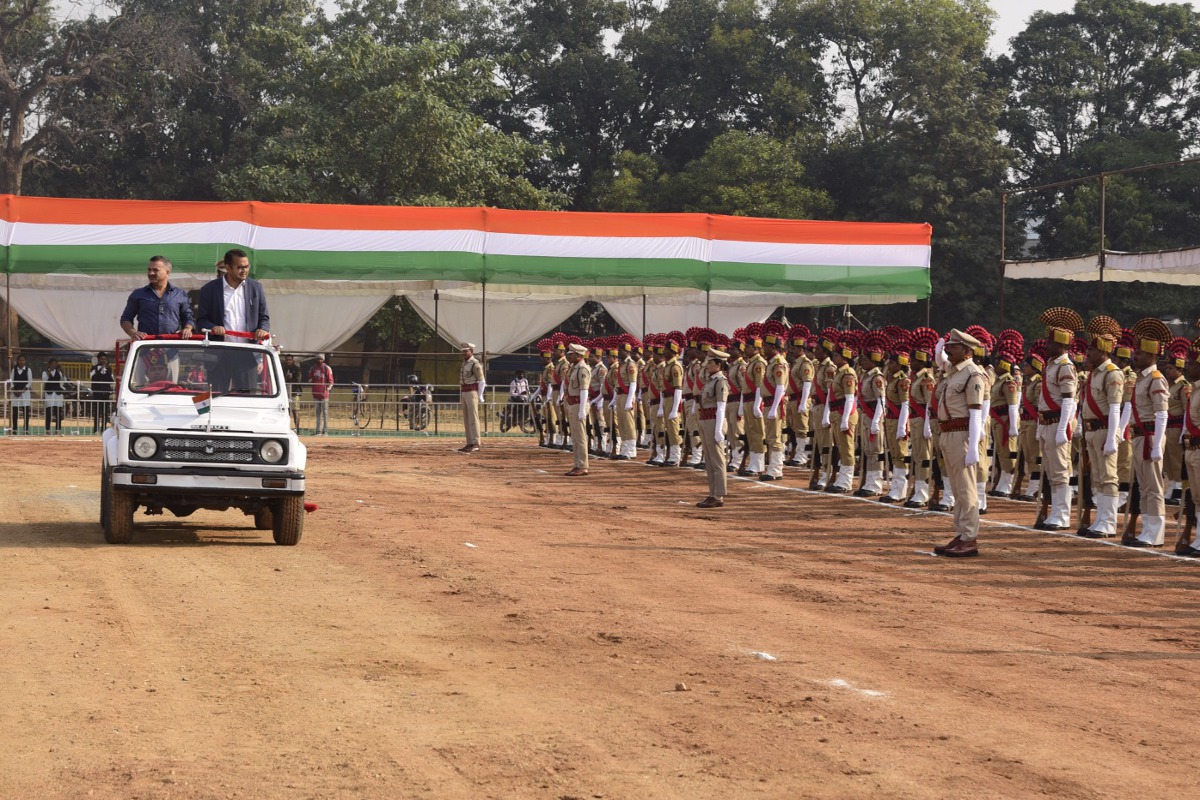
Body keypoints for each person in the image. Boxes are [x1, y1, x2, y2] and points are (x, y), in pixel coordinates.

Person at [931, 329, 987, 558]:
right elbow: (941, 360)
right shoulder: (954, 371)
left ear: (965, 351)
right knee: (956, 489)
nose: (947, 349)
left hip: (962, 434)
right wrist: (938, 349)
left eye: (952, 346)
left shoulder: (973, 374)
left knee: (966, 489)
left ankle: (970, 537)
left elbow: (976, 413)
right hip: (948, 433)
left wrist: (974, 446)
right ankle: (961, 533)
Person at [1123, 320, 1171, 547]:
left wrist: (1157, 446)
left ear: (1152, 356)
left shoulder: (1155, 379)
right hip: (1140, 436)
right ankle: (1147, 530)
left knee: (1153, 487)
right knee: (1144, 487)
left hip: (1150, 437)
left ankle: (1155, 533)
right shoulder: (1141, 379)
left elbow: (1162, 414)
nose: (1135, 356)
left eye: (1140, 354)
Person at [197, 249, 271, 392]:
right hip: (219, 353)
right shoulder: (209, 290)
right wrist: (213, 327)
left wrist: (263, 329)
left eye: (247, 266)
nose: (244, 270)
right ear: (228, 267)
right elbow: (201, 320)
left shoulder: (256, 288)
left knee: (247, 398)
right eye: (240, 267)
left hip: (247, 353)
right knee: (217, 398)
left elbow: (264, 317)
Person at [1034, 308, 1081, 531]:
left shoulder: (1065, 366)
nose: (1046, 345)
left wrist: (1063, 428)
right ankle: (1055, 511)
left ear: (1061, 344)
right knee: (1051, 471)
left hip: (1057, 423)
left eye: (1050, 342)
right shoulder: (1051, 365)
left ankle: (1062, 515)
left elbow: (1068, 400)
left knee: (1061, 470)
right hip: (1046, 423)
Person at [1077, 327, 1124, 538]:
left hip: (1105, 430)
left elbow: (1115, 408)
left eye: (1091, 350)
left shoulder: (1112, 373)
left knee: (1108, 477)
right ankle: (1100, 518)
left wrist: (1113, 437)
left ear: (1103, 351)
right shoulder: (1094, 374)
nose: (1088, 354)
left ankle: (1109, 522)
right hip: (1091, 431)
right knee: (1097, 477)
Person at [120, 256, 194, 383]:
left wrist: (187, 328)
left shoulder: (180, 294)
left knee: (171, 390)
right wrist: (133, 332)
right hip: (144, 352)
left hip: (171, 353)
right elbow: (125, 319)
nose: (150, 273)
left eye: (155, 270)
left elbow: (189, 317)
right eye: (149, 270)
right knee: (140, 389)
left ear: (167, 273)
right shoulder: (138, 294)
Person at [696, 347, 731, 508]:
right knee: (709, 460)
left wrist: (718, 429)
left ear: (718, 364)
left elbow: (721, 406)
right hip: (705, 420)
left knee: (717, 460)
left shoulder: (720, 381)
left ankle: (719, 495)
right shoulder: (710, 380)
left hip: (714, 421)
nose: (707, 365)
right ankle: (712, 493)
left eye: (710, 363)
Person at [564, 343, 592, 476]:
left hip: (578, 404)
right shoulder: (573, 368)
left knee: (580, 437)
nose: (569, 356)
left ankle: (582, 465)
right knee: (575, 436)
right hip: (572, 404)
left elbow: (584, 390)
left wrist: (582, 409)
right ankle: (577, 464)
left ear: (578, 355)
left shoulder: (582, 369)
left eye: (571, 354)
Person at [458, 342, 485, 453]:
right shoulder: (464, 363)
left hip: (472, 392)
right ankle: (469, 442)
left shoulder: (475, 364)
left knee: (473, 418)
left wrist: (480, 395)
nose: (464, 353)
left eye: (466, 351)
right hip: (464, 391)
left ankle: (476, 442)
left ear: (471, 351)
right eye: (463, 351)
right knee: (466, 418)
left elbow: (482, 381)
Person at [308, 354, 334, 435]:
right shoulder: (312, 368)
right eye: (318, 359)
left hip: (324, 394)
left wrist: (327, 389)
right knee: (318, 413)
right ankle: (318, 430)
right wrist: (313, 380)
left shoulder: (326, 368)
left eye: (321, 359)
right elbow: (309, 379)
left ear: (323, 359)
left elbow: (331, 381)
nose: (319, 360)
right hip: (316, 393)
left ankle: (325, 430)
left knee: (325, 412)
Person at [89, 352, 114, 433]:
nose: (103, 360)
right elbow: (93, 378)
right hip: (97, 393)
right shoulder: (94, 368)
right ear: (98, 359)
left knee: (105, 412)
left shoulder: (109, 369)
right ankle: (96, 429)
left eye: (105, 359)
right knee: (97, 412)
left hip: (106, 393)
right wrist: (100, 369)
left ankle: (104, 429)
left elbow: (111, 380)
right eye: (102, 359)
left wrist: (106, 370)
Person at [8, 354, 32, 434]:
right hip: (15, 393)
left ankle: (25, 430)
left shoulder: (28, 370)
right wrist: (15, 391)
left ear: (25, 361)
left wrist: (22, 391)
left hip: (25, 393)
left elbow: (29, 382)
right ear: (17, 361)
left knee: (25, 412)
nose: (21, 362)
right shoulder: (14, 370)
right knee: (15, 412)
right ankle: (14, 429)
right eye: (20, 360)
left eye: (23, 360)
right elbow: (11, 381)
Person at [42, 358, 66, 435]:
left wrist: (63, 372)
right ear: (49, 364)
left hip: (57, 394)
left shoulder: (58, 372)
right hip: (49, 393)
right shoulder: (45, 372)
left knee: (58, 411)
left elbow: (63, 381)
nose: (53, 365)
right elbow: (44, 381)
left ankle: (58, 429)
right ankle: (48, 429)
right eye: (52, 363)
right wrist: (49, 375)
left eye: (55, 364)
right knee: (48, 411)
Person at [283, 354, 302, 430]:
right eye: (287, 360)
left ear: (292, 360)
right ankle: (286, 427)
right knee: (286, 410)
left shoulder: (297, 369)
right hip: (285, 392)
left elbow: (298, 380)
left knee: (295, 410)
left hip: (295, 392)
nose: (288, 361)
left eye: (290, 360)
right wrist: (285, 378)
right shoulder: (282, 368)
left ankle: (297, 428)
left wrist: (290, 378)